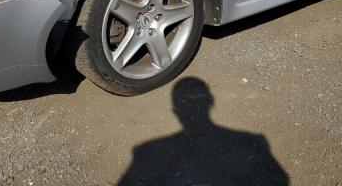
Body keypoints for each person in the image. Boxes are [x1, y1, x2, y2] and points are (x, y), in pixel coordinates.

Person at [118, 77, 289, 186]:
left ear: (175, 110)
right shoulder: (253, 142)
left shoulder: (147, 151)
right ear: (211, 102)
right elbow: (280, 179)